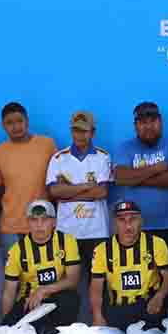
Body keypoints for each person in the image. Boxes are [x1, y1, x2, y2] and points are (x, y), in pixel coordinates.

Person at [46, 110, 111, 322]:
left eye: (84, 131)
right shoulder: (59, 158)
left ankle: (98, 325)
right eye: (75, 130)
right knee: (66, 284)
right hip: (67, 233)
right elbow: (54, 192)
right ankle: (63, 328)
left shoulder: (102, 157)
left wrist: (69, 191)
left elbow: (101, 192)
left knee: (99, 282)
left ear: (92, 132)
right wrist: (85, 188)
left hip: (96, 231)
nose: (79, 135)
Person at [112, 102, 168, 261]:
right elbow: (121, 177)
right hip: (132, 230)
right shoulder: (125, 148)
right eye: (142, 122)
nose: (148, 126)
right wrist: (157, 168)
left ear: (160, 122)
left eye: (152, 121)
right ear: (135, 126)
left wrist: (136, 178)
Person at [1, 200, 81, 334]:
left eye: (44, 220)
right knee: (9, 330)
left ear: (54, 222)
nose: (39, 225)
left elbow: (73, 280)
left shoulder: (66, 241)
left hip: (57, 299)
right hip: (29, 302)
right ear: (28, 222)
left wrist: (43, 290)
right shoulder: (17, 250)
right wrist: (5, 326)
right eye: (34, 220)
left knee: (71, 299)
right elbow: (9, 292)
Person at [90, 201, 168, 331]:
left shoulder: (156, 243)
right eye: (122, 220)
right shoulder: (102, 249)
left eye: (133, 219)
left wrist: (159, 296)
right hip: (118, 309)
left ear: (141, 221)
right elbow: (96, 286)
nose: (128, 225)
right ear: (114, 223)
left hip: (149, 306)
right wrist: (97, 316)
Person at [0, 102, 57, 254]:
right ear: (3, 125)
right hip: (10, 226)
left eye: (19, 121)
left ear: (27, 121)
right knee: (13, 276)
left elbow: (57, 185)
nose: (15, 127)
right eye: (9, 123)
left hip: (42, 223)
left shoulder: (47, 145)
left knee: (42, 275)